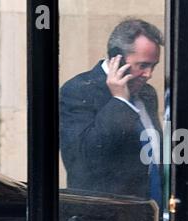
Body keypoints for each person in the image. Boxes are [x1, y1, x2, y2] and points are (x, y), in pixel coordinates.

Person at [60, 18, 164, 209]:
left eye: (153, 66)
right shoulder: (79, 90)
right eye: (142, 65)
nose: (149, 74)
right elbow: (83, 159)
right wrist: (119, 102)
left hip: (151, 212)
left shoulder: (147, 94)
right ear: (117, 60)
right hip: (106, 219)